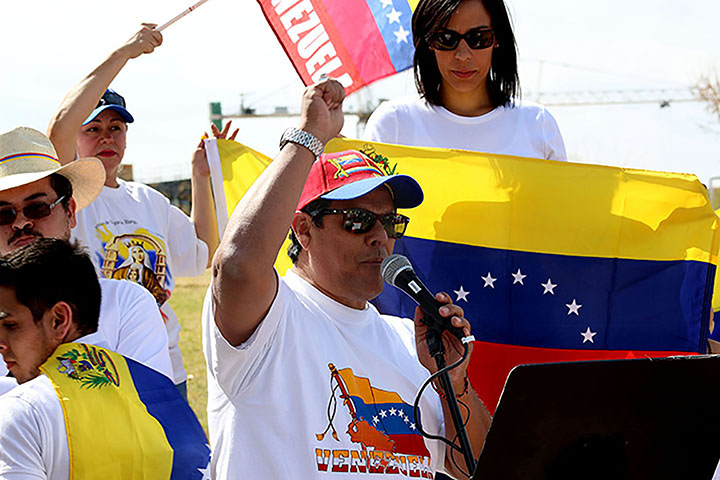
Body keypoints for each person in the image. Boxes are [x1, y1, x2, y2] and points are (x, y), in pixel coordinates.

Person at [202, 78, 492, 478]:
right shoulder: (271, 319)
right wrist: (309, 137)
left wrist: (451, 379)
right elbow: (236, 264)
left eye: (391, 223)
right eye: (358, 221)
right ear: (304, 230)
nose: (380, 237)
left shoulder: (410, 342)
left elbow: (471, 467)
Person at [46, 24, 230, 396]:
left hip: (164, 368)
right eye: (93, 128)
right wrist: (123, 54)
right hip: (97, 373)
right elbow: (58, 130)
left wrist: (200, 175)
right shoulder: (67, 196)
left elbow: (201, 253)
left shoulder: (147, 200)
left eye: (116, 127)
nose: (106, 136)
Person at [0, 238, 210, 478]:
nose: (1, 341)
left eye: (10, 325)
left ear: (59, 319)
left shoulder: (22, 412)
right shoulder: (167, 399)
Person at [0, 126, 172, 393]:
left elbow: (146, 409)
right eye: (4, 215)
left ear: (69, 212)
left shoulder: (126, 303)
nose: (21, 223)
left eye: (37, 207)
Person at [363, 0, 567, 161]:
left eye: (478, 38)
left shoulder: (538, 125)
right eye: (446, 39)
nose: (462, 55)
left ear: (497, 40)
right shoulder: (393, 125)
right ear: (428, 43)